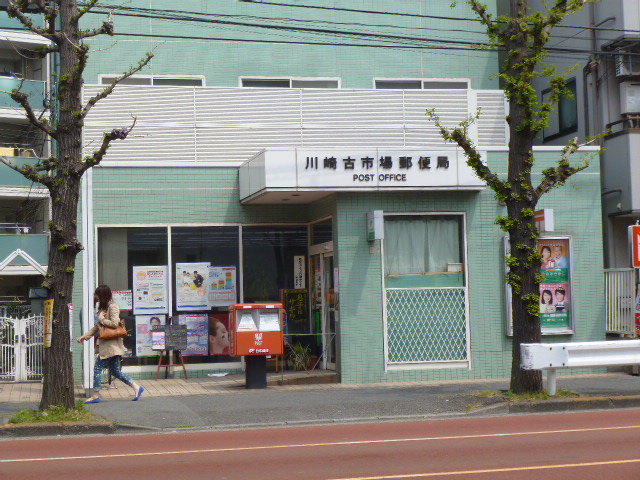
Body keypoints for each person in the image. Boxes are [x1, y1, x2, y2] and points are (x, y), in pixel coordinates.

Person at [77, 284, 144, 403]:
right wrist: (85, 336)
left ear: (102, 295)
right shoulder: (103, 309)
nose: (96, 297)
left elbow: (114, 323)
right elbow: (97, 327)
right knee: (115, 371)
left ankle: (95, 395)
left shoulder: (113, 307)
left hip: (111, 346)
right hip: (110, 346)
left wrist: (101, 319)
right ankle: (136, 387)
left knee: (97, 369)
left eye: (97, 295)